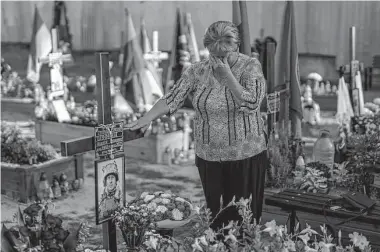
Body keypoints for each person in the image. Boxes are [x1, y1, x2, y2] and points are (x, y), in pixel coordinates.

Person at [126, 21, 268, 230]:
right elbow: (172, 98)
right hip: (209, 157)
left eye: (225, 55)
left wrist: (228, 76)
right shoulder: (197, 70)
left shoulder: (250, 67)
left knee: (242, 219)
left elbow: (252, 102)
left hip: (245, 157)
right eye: (214, 54)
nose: (219, 60)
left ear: (236, 47)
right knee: (217, 218)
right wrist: (148, 117)